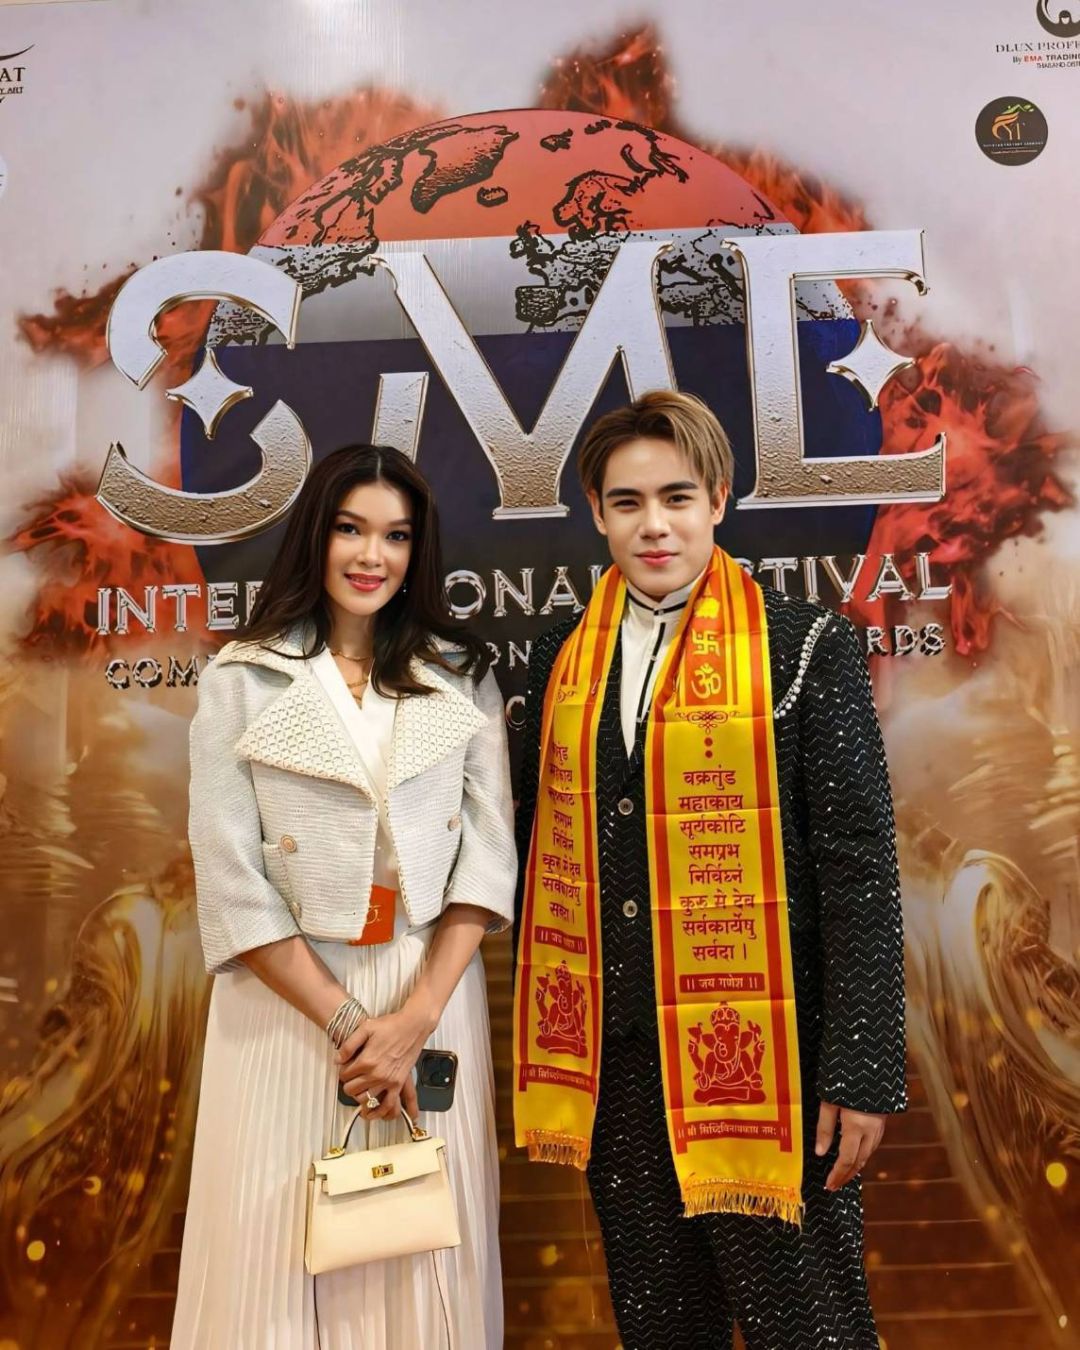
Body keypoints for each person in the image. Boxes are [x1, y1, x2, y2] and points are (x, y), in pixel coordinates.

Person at [513, 391, 905, 1350]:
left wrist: (863, 1069)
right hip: (621, 1075)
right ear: (596, 513)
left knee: (808, 1332)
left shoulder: (804, 646)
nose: (654, 525)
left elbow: (860, 868)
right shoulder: (558, 661)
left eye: (677, 497)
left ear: (719, 499)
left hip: (777, 1065)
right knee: (663, 1332)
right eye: (628, 502)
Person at [174, 445, 516, 1350]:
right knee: (271, 1251)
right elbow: (231, 879)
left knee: (422, 1242)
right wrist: (349, 1027)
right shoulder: (241, 677)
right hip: (287, 1004)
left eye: (396, 536)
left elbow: (486, 861)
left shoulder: (460, 673)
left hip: (427, 992)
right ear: (315, 538)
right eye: (350, 529)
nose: (373, 555)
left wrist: (413, 1021)